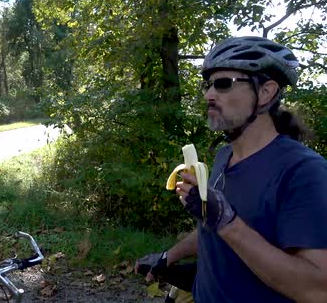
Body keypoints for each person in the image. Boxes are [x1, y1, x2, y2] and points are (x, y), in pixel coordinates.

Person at [134, 36, 327, 302]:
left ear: (266, 92)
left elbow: (317, 290)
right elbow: (211, 227)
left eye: (223, 84)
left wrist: (228, 223)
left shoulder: (304, 171)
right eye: (208, 85)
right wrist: (170, 256)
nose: (208, 95)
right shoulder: (225, 156)